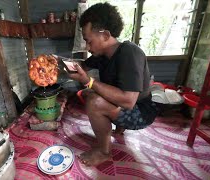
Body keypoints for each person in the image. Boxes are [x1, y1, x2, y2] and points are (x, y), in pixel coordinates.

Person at [68, 2, 158, 166]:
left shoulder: (129, 53)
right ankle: (119, 127)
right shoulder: (101, 53)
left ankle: (104, 152)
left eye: (89, 41)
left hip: (141, 112)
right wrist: (58, 65)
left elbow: (128, 101)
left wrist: (88, 81)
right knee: (91, 93)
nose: (88, 47)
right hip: (126, 105)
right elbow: (82, 66)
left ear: (105, 35)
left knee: (94, 101)